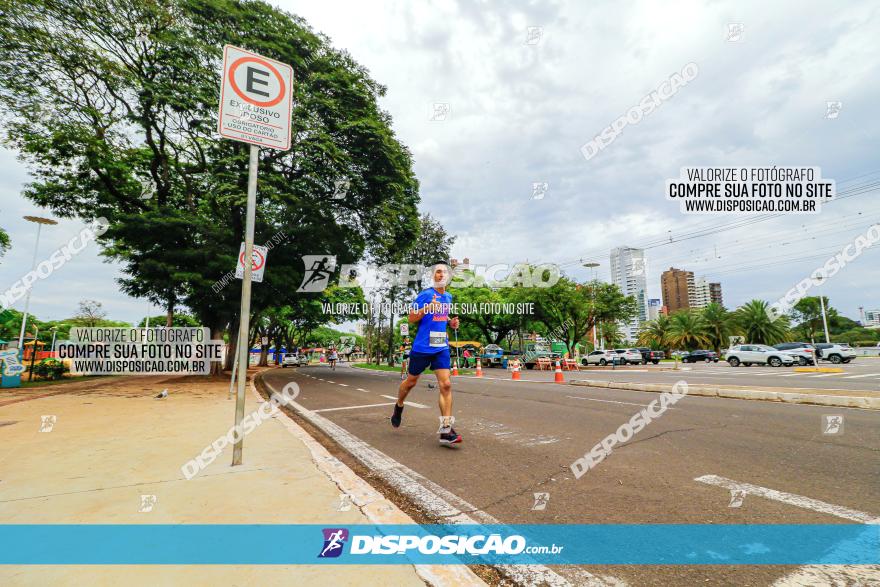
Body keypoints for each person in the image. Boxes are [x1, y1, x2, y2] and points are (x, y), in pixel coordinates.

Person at [390, 261, 461, 446]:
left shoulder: (448, 297)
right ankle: (398, 406)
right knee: (411, 382)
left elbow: (440, 317)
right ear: (433, 275)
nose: (441, 275)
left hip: (441, 346)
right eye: (438, 272)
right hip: (422, 347)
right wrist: (425, 308)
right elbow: (412, 318)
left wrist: (450, 323)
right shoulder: (425, 295)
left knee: (446, 385)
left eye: (445, 272)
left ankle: (446, 430)